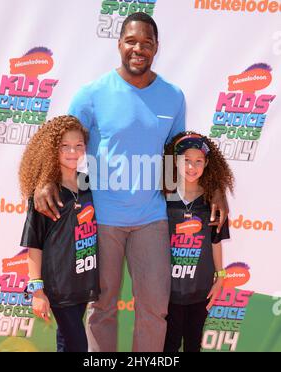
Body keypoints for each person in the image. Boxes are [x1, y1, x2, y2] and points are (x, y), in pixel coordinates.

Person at [33, 13, 228, 352]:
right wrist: (43, 180)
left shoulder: (172, 95)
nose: (139, 48)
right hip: (102, 220)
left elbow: (180, 153)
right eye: (131, 41)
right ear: (119, 44)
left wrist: (215, 189)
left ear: (157, 48)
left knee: (155, 308)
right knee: (102, 308)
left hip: (151, 219)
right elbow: (64, 143)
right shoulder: (91, 94)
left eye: (147, 43)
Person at [19, 115, 100, 352]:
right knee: (77, 344)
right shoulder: (45, 193)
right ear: (52, 149)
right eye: (65, 146)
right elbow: (34, 245)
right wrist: (37, 291)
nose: (72, 151)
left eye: (78, 145)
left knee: (66, 342)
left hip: (84, 280)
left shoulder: (89, 184)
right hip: (59, 285)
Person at [162, 131, 234, 352]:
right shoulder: (164, 197)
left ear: (206, 163)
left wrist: (220, 277)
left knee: (193, 343)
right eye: (186, 161)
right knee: (169, 343)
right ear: (175, 161)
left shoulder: (212, 202)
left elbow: (215, 242)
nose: (191, 167)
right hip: (169, 289)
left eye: (198, 161)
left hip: (200, 288)